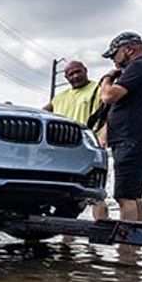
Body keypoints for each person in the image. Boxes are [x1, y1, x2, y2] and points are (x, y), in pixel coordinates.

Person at [98, 31, 142, 223]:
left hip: (131, 141)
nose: (113, 60)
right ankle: (136, 246)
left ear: (129, 49)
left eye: (114, 54)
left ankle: (127, 248)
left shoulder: (139, 67)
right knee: (134, 195)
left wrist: (107, 79)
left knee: (125, 196)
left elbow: (108, 96)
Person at [44, 61, 108, 220]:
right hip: (58, 152)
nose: (75, 76)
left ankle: (101, 231)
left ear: (86, 71)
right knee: (64, 196)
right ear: (65, 77)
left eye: (78, 72)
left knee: (94, 194)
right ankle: (67, 238)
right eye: (71, 74)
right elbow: (41, 112)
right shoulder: (60, 97)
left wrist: (103, 137)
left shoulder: (98, 90)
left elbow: (112, 114)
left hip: (86, 148)